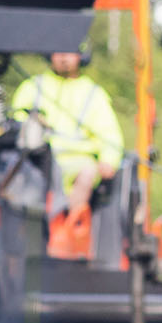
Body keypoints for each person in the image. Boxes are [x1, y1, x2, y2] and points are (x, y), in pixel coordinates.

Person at [9, 46, 125, 257]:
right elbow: (14, 123)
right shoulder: (32, 86)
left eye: (69, 52)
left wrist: (109, 159)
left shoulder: (93, 93)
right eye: (58, 51)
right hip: (36, 158)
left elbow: (110, 134)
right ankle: (20, 237)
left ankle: (67, 234)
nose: (63, 57)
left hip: (78, 161)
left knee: (87, 174)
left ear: (81, 55)